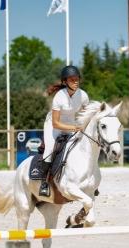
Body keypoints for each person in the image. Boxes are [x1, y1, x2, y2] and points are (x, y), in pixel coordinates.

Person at [39, 65, 89, 197]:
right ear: (65, 82)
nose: (76, 81)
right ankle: (44, 183)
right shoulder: (59, 97)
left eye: (77, 78)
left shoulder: (83, 95)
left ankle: (86, 179)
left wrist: (83, 125)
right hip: (53, 125)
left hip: (71, 122)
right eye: (72, 79)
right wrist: (74, 128)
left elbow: (86, 114)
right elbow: (56, 123)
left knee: (81, 145)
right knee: (50, 149)